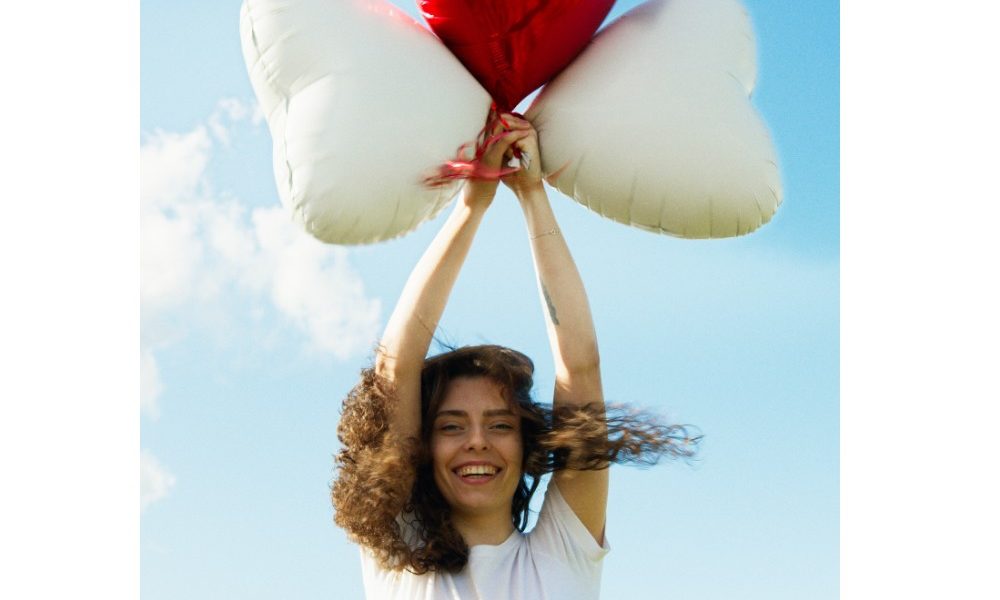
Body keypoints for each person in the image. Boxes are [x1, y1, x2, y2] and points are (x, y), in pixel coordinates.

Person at [332, 114, 697, 599]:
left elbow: (580, 368)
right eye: (451, 426)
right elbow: (395, 369)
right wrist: (472, 206)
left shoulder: (563, 552)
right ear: (421, 447)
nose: (477, 442)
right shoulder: (401, 547)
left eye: (501, 425)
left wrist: (533, 195)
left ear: (527, 445)